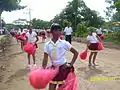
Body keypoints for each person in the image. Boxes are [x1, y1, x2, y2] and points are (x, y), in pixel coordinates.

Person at [42, 23, 78, 90]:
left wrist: (70, 64)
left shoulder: (64, 43)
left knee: (63, 88)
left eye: (59, 30)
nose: (58, 32)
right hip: (53, 70)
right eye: (56, 30)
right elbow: (45, 58)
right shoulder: (47, 45)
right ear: (52, 31)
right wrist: (43, 70)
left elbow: (76, 53)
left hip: (63, 69)